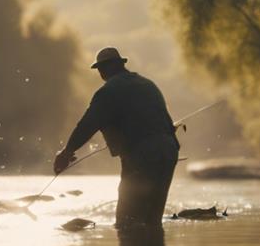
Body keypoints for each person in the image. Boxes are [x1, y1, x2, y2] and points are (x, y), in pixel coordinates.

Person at [53, 47, 179, 227]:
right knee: (152, 219)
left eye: (101, 69)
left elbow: (88, 125)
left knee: (127, 220)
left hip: (142, 156)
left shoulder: (108, 92)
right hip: (168, 152)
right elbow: (167, 123)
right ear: (121, 64)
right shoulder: (148, 84)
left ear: (105, 69)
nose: (101, 73)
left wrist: (67, 152)